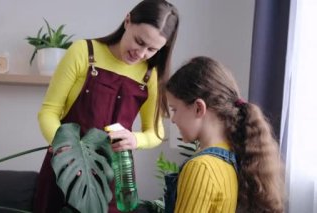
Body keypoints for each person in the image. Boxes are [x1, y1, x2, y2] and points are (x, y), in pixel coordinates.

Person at [33, 0, 179, 212]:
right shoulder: (83, 52)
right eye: (139, 41)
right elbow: (49, 111)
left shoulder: (151, 75)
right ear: (128, 20)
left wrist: (135, 139)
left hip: (114, 178)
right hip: (66, 166)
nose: (141, 53)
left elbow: (155, 133)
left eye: (151, 49)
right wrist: (66, 150)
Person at [164, 56, 284, 213]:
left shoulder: (202, 167)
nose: (173, 119)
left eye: (174, 109)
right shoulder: (231, 156)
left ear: (199, 108)